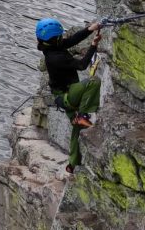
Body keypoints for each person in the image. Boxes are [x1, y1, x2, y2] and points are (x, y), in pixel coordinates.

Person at [36, 17, 102, 174]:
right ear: (56, 38)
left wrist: (90, 29)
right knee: (94, 82)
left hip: (62, 96)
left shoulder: (51, 47)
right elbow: (82, 65)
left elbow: (72, 40)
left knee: (77, 128)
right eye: (61, 36)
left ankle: (72, 163)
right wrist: (93, 46)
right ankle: (84, 114)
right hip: (67, 95)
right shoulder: (57, 57)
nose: (63, 37)